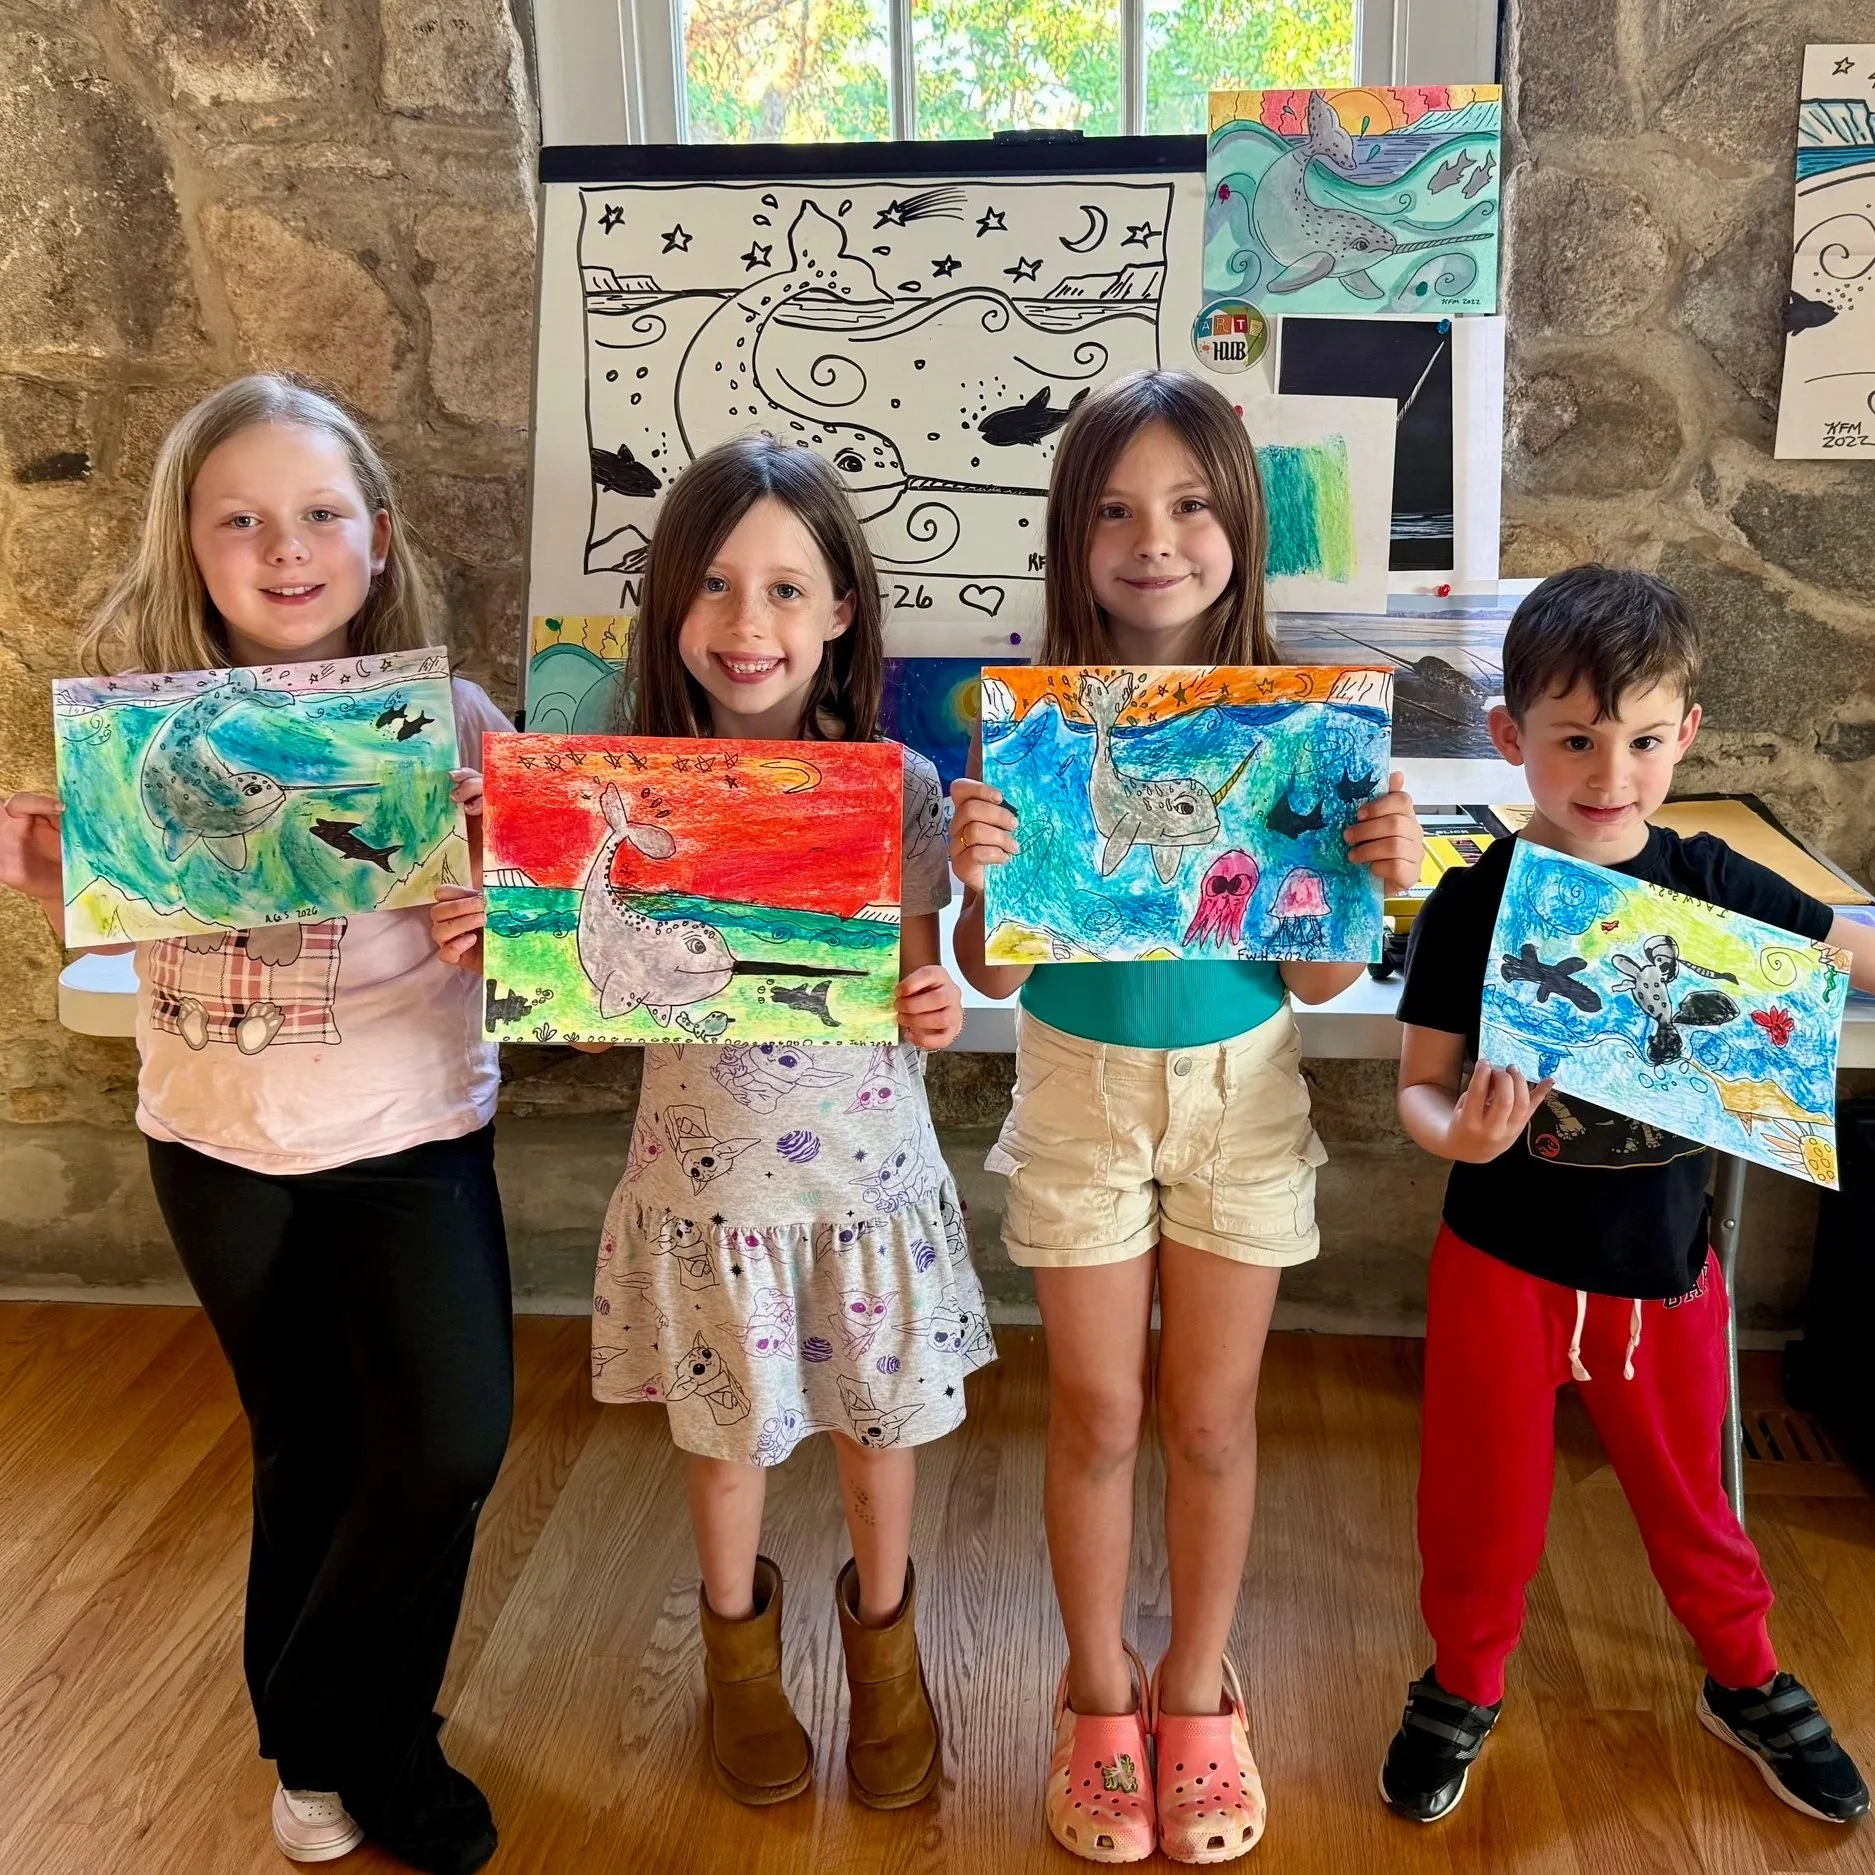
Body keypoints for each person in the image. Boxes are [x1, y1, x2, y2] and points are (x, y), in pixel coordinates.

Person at [434, 435, 994, 1812]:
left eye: (788, 589)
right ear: (670, 606)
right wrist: (510, 938)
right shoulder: (620, 791)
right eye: (716, 586)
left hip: (865, 1182)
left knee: (879, 1432)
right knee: (726, 1439)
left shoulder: (898, 787)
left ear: (842, 608)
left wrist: (934, 1005)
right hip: (707, 1191)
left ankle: (886, 1654)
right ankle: (737, 1660)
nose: (751, 624)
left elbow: (922, 981)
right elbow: (588, 1003)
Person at [0, 376, 514, 1872]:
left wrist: (509, 909)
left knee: (446, 1444)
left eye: (318, 514)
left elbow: (545, 935)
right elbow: (115, 928)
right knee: (307, 1444)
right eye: (240, 521)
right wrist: (55, 876)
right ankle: (350, 1757)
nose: (284, 548)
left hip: (413, 1131)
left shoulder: (452, 720)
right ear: (190, 544)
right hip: (218, 1144)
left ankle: (313, 1702)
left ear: (377, 537)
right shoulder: (139, 730)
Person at [948, 369, 1424, 1863]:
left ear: (1240, 529)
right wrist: (978, 874)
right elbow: (991, 970)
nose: (1153, 539)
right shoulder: (1025, 725)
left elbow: (1319, 971)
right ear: (1071, 538)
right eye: (1113, 510)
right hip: (1078, 1095)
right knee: (1096, 1410)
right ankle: (1097, 1688)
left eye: (1188, 505)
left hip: (1242, 1095)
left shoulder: (1306, 728)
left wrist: (1375, 874)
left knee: (1212, 1415)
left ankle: (1200, 1685)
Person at [1383, 564, 1874, 1827]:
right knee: (1482, 1503)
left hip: (1664, 1271)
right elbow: (1421, 1089)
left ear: (1687, 734)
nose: (1611, 775)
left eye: (1645, 741)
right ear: (1512, 738)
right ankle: (1463, 1680)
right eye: (1577, 741)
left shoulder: (1710, 875)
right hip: (1500, 1265)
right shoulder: (1477, 900)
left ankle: (1745, 1673)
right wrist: (1461, 1137)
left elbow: (1845, 949)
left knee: (1693, 1497)